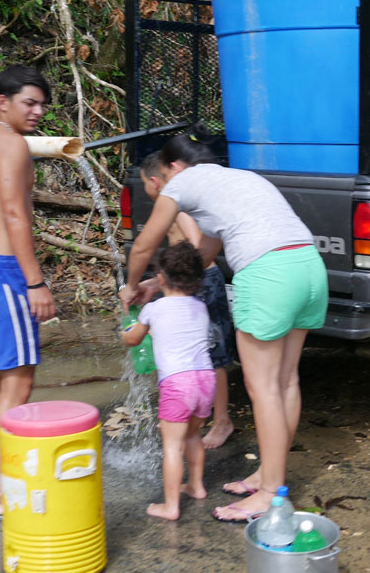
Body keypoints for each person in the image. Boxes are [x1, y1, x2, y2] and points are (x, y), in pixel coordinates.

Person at [120, 128, 328, 522]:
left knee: (262, 386)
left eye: (164, 178)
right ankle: (270, 475)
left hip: (267, 274)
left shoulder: (182, 183)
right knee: (286, 382)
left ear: (173, 168)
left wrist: (131, 286)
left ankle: (269, 494)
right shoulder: (235, 180)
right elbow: (200, 256)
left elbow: (145, 245)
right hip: (308, 266)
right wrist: (155, 284)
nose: (165, 188)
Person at [0, 65, 55, 519]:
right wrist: (35, 282)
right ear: (2, 102)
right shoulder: (14, 146)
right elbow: (16, 217)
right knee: (19, 381)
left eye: (42, 105)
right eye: (29, 103)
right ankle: (0, 495)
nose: (38, 112)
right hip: (5, 273)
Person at [139, 154, 237, 448]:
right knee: (195, 352)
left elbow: (195, 241)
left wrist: (180, 275)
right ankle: (195, 413)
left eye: (144, 183)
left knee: (213, 355)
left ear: (154, 181)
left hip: (200, 281)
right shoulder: (174, 201)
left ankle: (222, 421)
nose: (145, 189)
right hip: (186, 282)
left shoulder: (176, 205)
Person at [121, 242, 215, 520]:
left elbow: (133, 339)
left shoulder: (155, 308)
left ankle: (170, 506)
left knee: (172, 446)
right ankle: (196, 486)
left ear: (160, 279)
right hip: (206, 380)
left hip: (178, 384)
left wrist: (126, 325)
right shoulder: (200, 306)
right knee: (193, 435)